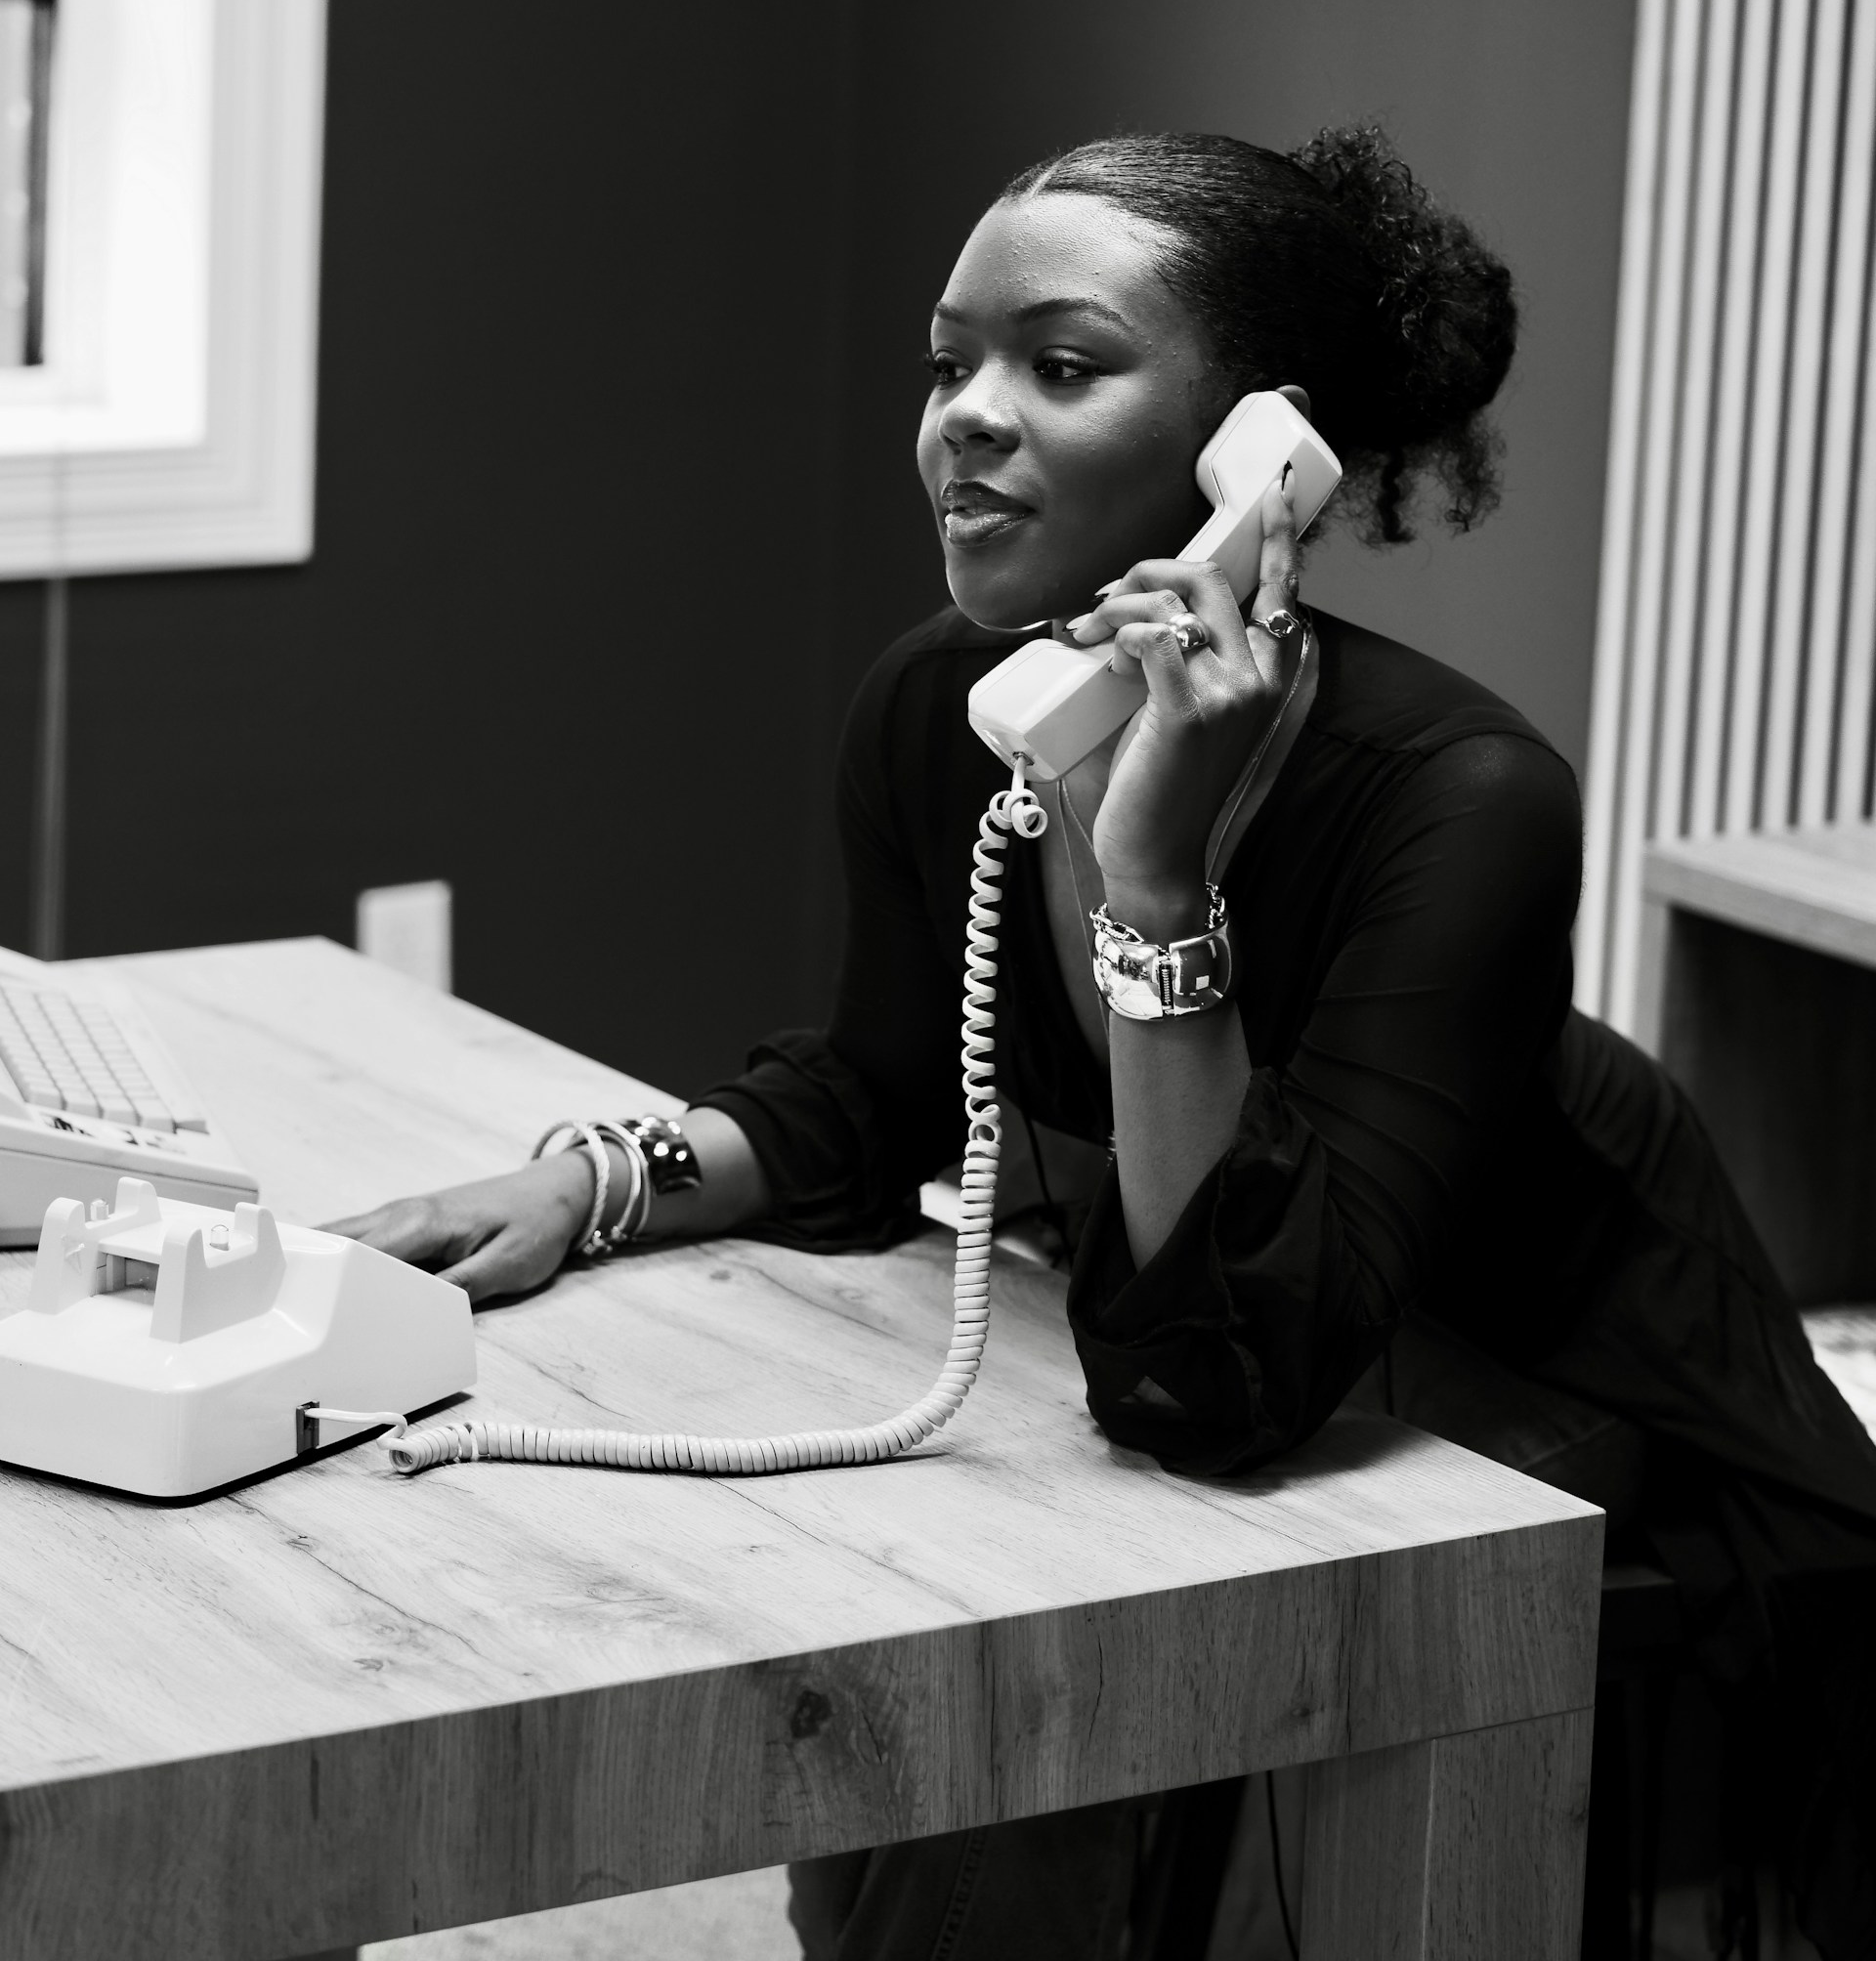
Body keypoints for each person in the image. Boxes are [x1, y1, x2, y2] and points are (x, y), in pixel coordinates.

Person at [333, 130, 1876, 1961]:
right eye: (948, 361)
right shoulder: (941, 711)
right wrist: (601, 1181)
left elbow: (1230, 1383)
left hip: (1530, 1370)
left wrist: (1146, 863)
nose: (964, 420)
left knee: (1034, 1717)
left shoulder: (1464, 798)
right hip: (1217, 1331)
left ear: (1258, 456)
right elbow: (885, 1089)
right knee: (913, 1681)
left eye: (1059, 367)